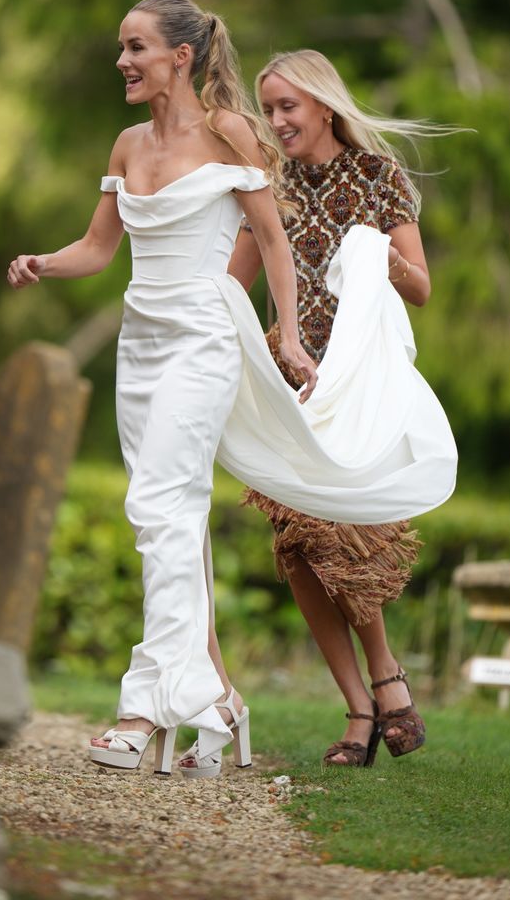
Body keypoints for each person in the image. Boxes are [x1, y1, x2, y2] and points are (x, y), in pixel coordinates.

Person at [8, 1, 456, 778]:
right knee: (161, 509)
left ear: (180, 56)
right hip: (141, 344)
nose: (122, 59)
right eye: (121, 45)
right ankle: (215, 701)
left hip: (207, 340)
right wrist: (43, 262)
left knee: (162, 505)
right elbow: (96, 246)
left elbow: (270, 240)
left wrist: (283, 333)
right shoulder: (125, 143)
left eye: (135, 46)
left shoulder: (232, 134)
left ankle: (145, 708)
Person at [190, 48, 448, 771]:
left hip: (357, 378)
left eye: (286, 108)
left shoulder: (377, 177)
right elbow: (232, 287)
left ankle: (385, 677)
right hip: (286, 379)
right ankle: (366, 704)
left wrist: (375, 255)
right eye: (268, 109)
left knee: (345, 540)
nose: (276, 121)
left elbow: (420, 287)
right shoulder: (266, 185)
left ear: (323, 107)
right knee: (299, 543)